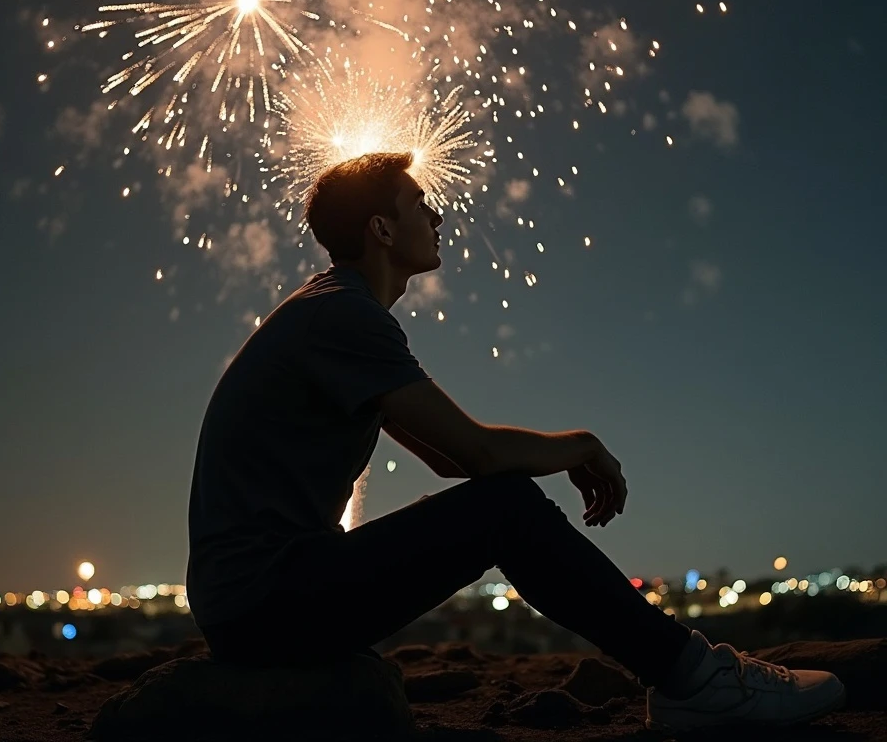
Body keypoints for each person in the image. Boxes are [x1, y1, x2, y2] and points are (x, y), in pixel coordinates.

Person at [186, 151, 845, 731]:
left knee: (500, 504)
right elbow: (478, 455)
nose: (438, 215)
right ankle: (697, 681)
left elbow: (449, 458)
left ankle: (687, 675)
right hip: (265, 602)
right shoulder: (343, 316)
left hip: (256, 598)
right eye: (420, 203)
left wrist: (543, 459)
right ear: (381, 230)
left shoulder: (331, 313)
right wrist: (582, 445)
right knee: (505, 508)